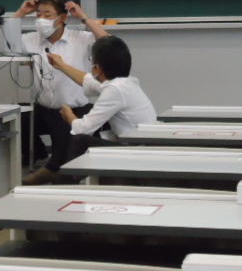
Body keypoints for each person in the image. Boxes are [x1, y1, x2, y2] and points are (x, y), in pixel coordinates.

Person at [23, 35, 157, 184]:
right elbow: (88, 81)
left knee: (80, 139)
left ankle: (62, 181)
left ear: (97, 68)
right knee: (86, 122)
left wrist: (69, 114)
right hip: (141, 146)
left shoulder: (114, 90)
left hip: (136, 151)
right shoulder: (126, 83)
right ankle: (56, 169)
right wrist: (61, 65)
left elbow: (82, 129)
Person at [3, 0, 109, 173]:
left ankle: (53, 166)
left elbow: (109, 42)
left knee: (63, 163)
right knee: (15, 118)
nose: (41, 20)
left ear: (62, 18)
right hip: (43, 109)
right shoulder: (30, 39)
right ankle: (39, 156)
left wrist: (83, 17)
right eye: (38, 15)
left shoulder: (80, 38)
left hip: (73, 111)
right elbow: (4, 44)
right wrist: (21, 12)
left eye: (47, 14)